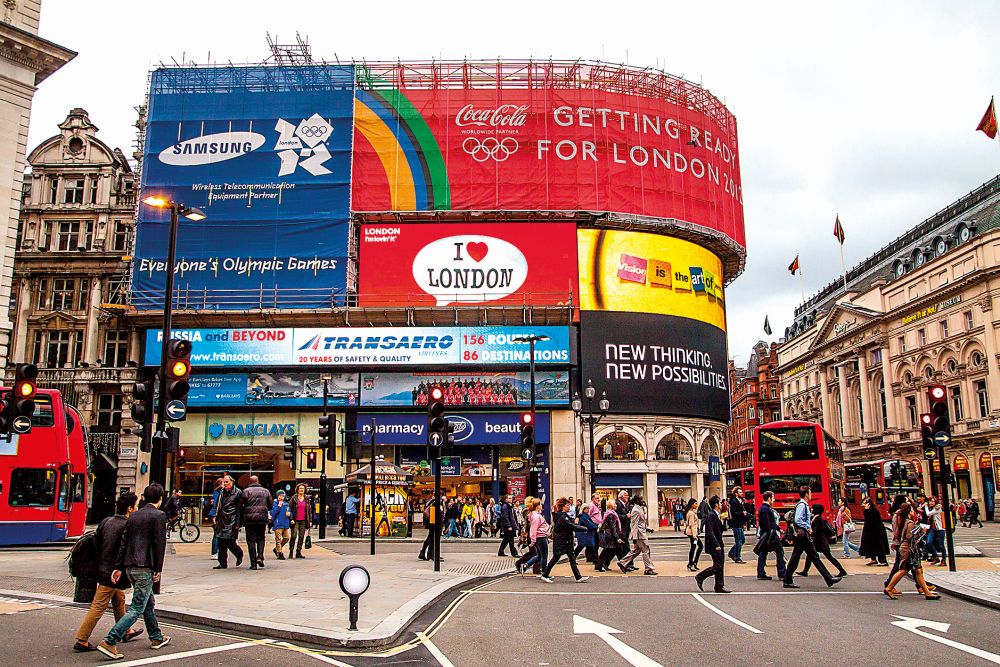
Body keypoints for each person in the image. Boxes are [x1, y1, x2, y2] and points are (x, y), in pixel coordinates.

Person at [96, 484, 171, 659]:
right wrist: (158, 569)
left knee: (148, 603)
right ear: (160, 499)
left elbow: (124, 542)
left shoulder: (133, 516)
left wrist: (119, 567)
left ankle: (156, 637)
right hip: (144, 566)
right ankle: (110, 641)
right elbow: (159, 545)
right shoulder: (159, 516)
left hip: (129, 566)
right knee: (137, 607)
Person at [73, 492, 143, 652]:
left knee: (118, 598)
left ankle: (126, 630)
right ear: (130, 508)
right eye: (136, 506)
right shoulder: (127, 525)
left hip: (102, 568)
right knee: (98, 605)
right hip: (112, 573)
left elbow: (97, 544)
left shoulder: (106, 521)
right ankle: (82, 639)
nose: (137, 508)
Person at [783, 486, 841, 589]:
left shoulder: (803, 505)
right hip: (802, 535)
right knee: (797, 557)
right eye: (810, 493)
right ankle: (787, 580)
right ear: (806, 494)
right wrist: (808, 527)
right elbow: (798, 519)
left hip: (803, 535)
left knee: (812, 557)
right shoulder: (802, 505)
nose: (811, 495)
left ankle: (828, 579)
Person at [884, 503, 940, 600]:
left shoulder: (901, 520)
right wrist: (921, 532)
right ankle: (889, 587)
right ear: (909, 511)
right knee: (903, 570)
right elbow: (910, 537)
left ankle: (927, 592)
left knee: (918, 570)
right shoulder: (909, 522)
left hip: (908, 548)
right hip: (908, 549)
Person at [542, 497, 590, 583]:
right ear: (563, 506)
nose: (569, 507)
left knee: (572, 558)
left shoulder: (563, 515)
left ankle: (578, 577)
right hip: (561, 541)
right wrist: (584, 528)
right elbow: (571, 526)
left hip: (566, 541)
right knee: (556, 557)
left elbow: (572, 523)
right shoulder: (562, 517)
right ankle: (545, 574)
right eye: (567, 505)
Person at [798, 503, 848, 579]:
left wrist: (810, 532)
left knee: (829, 557)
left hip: (821, 542)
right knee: (810, 555)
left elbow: (816, 532)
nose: (811, 510)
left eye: (812, 509)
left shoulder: (818, 519)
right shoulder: (816, 518)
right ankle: (805, 571)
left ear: (816, 510)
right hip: (818, 541)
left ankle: (842, 570)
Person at [695, 495, 730, 593]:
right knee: (718, 565)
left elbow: (723, 529)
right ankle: (700, 576)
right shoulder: (711, 515)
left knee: (720, 565)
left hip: (719, 543)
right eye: (719, 503)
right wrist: (716, 544)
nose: (721, 504)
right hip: (715, 545)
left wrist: (725, 520)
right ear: (716, 505)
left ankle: (719, 586)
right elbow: (709, 531)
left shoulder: (717, 515)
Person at [616, 495, 656, 575]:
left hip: (641, 533)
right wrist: (634, 537)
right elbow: (634, 525)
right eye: (641, 499)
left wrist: (648, 528)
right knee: (646, 551)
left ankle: (622, 562)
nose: (642, 500)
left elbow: (641, 523)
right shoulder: (635, 510)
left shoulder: (639, 508)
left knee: (636, 551)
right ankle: (648, 569)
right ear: (637, 500)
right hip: (639, 535)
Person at [239, 475, 272, 570]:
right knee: (261, 538)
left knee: (251, 541)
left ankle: (253, 564)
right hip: (262, 518)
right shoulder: (265, 491)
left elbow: (241, 505)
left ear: (250, 482)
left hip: (249, 519)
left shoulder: (246, 491)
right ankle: (260, 556)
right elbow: (270, 505)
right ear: (258, 481)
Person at [754, 491, 786, 580]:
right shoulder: (765, 509)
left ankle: (761, 573)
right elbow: (767, 523)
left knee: (763, 553)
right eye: (773, 497)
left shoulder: (765, 508)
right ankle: (782, 573)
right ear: (769, 498)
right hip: (769, 534)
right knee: (780, 552)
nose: (774, 499)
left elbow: (771, 522)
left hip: (767, 534)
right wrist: (771, 534)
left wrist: (779, 529)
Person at [213, 474, 243, 569]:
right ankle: (222, 562)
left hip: (231, 520)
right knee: (221, 542)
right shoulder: (221, 492)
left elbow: (239, 509)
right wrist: (216, 516)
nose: (225, 484)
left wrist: (238, 523)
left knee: (230, 541)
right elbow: (218, 505)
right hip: (221, 520)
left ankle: (239, 554)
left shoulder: (238, 492)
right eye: (224, 482)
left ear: (232, 482)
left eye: (227, 482)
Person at [518, 498, 548, 577]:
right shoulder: (536, 516)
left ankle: (526, 565)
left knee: (539, 555)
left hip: (539, 537)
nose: (541, 506)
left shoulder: (534, 515)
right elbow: (533, 528)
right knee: (544, 555)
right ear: (537, 506)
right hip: (540, 537)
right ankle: (544, 573)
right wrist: (533, 540)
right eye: (540, 504)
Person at [859, 497, 890, 566]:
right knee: (870, 545)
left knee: (879, 546)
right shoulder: (870, 510)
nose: (864, 505)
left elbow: (869, 520)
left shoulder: (873, 511)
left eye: (864, 503)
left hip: (877, 532)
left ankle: (883, 561)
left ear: (869, 504)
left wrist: (866, 510)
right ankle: (873, 559)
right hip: (871, 532)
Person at [597, 505, 624, 572]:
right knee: (614, 550)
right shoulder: (612, 515)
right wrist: (617, 538)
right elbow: (613, 528)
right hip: (611, 536)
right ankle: (624, 564)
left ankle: (602, 565)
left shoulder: (609, 514)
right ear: (612, 506)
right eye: (615, 504)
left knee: (610, 551)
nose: (616, 505)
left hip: (609, 535)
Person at [727, 487, 748, 564]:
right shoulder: (734, 502)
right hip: (736, 524)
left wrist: (744, 523)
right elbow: (733, 513)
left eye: (741, 492)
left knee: (742, 540)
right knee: (738, 540)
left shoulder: (740, 501)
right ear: (736, 493)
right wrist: (742, 513)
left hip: (740, 523)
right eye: (739, 492)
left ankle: (732, 553)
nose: (741, 493)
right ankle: (737, 557)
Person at [616, 491, 636, 571]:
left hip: (626, 529)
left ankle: (630, 564)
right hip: (621, 530)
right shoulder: (618, 504)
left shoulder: (625, 504)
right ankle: (627, 564)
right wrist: (626, 516)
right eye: (626, 496)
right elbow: (617, 516)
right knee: (624, 548)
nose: (628, 497)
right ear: (621, 496)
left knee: (625, 548)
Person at [270, 490, 292, 560]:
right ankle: (280, 553)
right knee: (278, 539)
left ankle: (276, 549)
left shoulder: (286, 504)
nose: (281, 497)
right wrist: (278, 507)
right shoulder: (275, 504)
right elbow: (272, 513)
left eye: (283, 496)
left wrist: (290, 515)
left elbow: (290, 512)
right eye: (280, 496)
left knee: (286, 538)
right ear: (277, 496)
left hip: (285, 524)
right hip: (278, 524)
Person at [684, 498, 703, 572]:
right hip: (692, 533)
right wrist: (694, 535)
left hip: (692, 532)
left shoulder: (691, 512)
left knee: (695, 547)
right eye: (695, 503)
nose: (697, 505)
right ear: (692, 504)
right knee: (697, 547)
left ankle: (693, 563)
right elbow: (691, 524)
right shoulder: (691, 513)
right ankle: (691, 563)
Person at [418, 496, 439, 561]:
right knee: (431, 538)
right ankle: (428, 554)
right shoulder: (434, 502)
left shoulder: (430, 501)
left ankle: (428, 553)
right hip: (433, 523)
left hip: (431, 523)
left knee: (430, 538)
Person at [207, 478, 222, 559]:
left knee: (217, 534)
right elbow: (215, 505)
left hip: (216, 515)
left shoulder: (216, 493)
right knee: (216, 534)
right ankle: (215, 552)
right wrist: (214, 517)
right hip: (216, 515)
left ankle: (217, 551)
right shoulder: (217, 493)